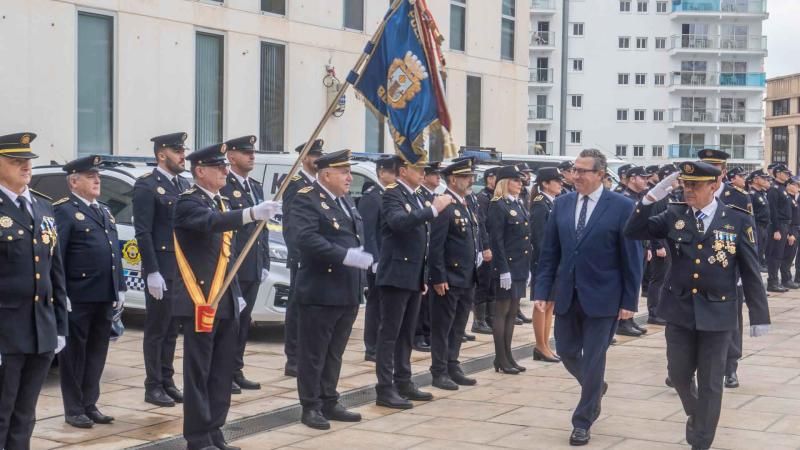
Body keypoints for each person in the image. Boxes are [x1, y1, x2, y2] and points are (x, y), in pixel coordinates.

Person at [625, 160, 770, 450]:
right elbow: (634, 230)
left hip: (718, 314)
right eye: (686, 184)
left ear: (714, 185)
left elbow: (751, 270)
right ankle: (698, 413)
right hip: (679, 310)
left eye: (696, 185)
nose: (689, 190)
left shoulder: (737, 219)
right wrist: (654, 195)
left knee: (711, 382)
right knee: (678, 374)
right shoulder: (674, 214)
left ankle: (701, 440)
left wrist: (759, 315)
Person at [172, 142, 280, 450]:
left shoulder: (220, 204)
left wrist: (236, 294)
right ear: (200, 171)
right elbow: (210, 225)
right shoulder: (188, 203)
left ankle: (215, 431)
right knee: (199, 373)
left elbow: (227, 257)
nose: (224, 171)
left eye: (225, 167)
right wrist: (249, 213)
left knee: (221, 372)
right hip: (200, 301)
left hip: (226, 301)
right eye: (218, 167)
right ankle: (197, 437)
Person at [534, 149, 643, 446]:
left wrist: (629, 301)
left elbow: (632, 258)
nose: (576, 175)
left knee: (595, 359)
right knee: (567, 352)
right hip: (568, 294)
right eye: (574, 169)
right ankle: (595, 388)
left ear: (600, 174)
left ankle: (583, 421)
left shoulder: (621, 206)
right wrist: (542, 291)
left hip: (605, 297)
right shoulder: (562, 204)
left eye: (583, 171)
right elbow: (549, 253)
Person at [290, 150, 370, 429]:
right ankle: (310, 406)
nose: (349, 177)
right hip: (320, 290)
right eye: (343, 172)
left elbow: (355, 237)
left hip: (347, 289)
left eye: (349, 171)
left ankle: (329, 399)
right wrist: (345, 256)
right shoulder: (306, 199)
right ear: (325, 175)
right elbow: (306, 239)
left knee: (334, 352)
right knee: (313, 353)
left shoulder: (345, 200)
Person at [0, 132, 68, 449]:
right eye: (16, 161)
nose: (25, 166)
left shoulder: (43, 207)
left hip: (41, 328)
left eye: (28, 161)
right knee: (2, 411)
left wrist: (60, 326)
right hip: (6, 332)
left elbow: (55, 271)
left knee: (26, 414)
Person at [54, 155, 125, 428]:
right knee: (74, 355)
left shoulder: (104, 210)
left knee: (97, 352)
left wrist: (119, 286)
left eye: (98, 176)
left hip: (104, 295)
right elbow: (56, 257)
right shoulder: (64, 210)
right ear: (74, 181)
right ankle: (73, 409)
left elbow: (113, 253)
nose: (97, 180)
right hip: (78, 296)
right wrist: (62, 295)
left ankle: (89, 403)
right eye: (90, 176)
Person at [374, 159, 451, 409]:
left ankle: (403, 381)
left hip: (413, 275)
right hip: (396, 274)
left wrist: (423, 274)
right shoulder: (392, 194)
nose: (423, 174)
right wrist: (432, 210)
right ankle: (385, 388)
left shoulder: (416, 195)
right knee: (390, 334)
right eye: (419, 170)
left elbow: (424, 239)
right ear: (403, 171)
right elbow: (399, 223)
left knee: (406, 333)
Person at [133, 132, 191, 407]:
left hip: (181, 270)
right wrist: (152, 271)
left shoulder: (182, 184)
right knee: (157, 330)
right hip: (161, 268)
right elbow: (143, 232)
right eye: (177, 150)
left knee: (172, 329)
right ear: (161, 155)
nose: (183, 155)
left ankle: (167, 380)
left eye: (183, 150)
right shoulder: (147, 186)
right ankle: (152, 385)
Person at [220, 135, 270, 393]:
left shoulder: (255, 186)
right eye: (245, 152)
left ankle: (236, 369)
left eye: (253, 152)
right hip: (233, 264)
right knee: (231, 322)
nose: (252, 156)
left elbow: (263, 228)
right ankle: (223, 372)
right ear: (231, 157)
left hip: (252, 263)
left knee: (244, 321)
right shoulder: (224, 187)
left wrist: (265, 260)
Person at [428, 158, 481, 390]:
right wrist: (438, 276)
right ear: (452, 179)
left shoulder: (466, 203)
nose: (471, 180)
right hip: (449, 277)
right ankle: (439, 371)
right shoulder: (444, 204)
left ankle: (453, 365)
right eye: (466, 177)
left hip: (467, 277)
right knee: (443, 327)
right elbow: (436, 245)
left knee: (459, 325)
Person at [282, 139, 324, 377]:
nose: (318, 159)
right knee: (297, 307)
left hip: (316, 257)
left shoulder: (318, 184)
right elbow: (290, 223)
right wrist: (296, 254)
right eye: (314, 155)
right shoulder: (295, 184)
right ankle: (293, 359)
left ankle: (307, 355)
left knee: (311, 307)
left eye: (320, 155)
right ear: (304, 158)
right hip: (301, 257)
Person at [487, 165, 532, 374]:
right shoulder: (498, 205)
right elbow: (497, 241)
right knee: (502, 312)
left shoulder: (519, 204)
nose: (520, 184)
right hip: (506, 267)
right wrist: (503, 269)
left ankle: (507, 356)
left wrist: (527, 266)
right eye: (515, 180)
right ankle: (501, 358)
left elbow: (524, 238)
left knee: (513, 312)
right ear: (505, 182)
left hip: (519, 266)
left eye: (521, 181)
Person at [360, 155, 400, 362]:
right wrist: (373, 260)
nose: (395, 176)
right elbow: (368, 232)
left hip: (390, 259)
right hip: (378, 260)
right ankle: (371, 347)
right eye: (392, 172)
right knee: (375, 304)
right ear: (381, 173)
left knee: (386, 305)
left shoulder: (390, 195)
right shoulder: (372, 196)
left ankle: (381, 344)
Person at [529, 167, 562, 363]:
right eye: (555, 181)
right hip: (544, 263)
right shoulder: (540, 205)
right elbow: (540, 238)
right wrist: (546, 264)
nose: (559, 184)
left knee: (550, 304)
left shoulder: (552, 203)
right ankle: (540, 345)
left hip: (554, 262)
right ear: (545, 184)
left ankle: (546, 344)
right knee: (542, 305)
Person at [646, 164, 681, 326]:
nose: (678, 182)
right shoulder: (659, 197)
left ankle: (662, 310)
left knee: (667, 278)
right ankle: (654, 312)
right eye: (675, 179)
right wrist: (657, 245)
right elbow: (653, 221)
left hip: (669, 240)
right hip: (661, 242)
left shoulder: (670, 196)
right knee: (658, 278)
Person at [617, 166, 650, 338]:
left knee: (635, 282)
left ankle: (629, 318)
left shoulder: (639, 197)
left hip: (639, 245)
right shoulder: (624, 198)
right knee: (628, 282)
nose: (645, 180)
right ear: (632, 179)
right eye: (642, 178)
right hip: (629, 246)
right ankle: (622, 321)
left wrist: (648, 246)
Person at [472, 167, 497, 334]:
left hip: (494, 246)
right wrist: (485, 247)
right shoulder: (483, 197)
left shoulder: (495, 197)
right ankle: (478, 321)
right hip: (485, 246)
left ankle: (489, 317)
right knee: (483, 283)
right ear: (489, 179)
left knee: (491, 284)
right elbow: (482, 225)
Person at [766, 163, 793, 292]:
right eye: (785, 173)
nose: (787, 175)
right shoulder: (774, 189)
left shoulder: (782, 188)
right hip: (778, 225)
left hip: (785, 225)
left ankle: (777, 281)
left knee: (780, 254)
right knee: (775, 255)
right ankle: (772, 282)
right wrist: (776, 229)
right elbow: (773, 211)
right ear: (777, 173)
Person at [747, 169, 771, 270]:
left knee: (761, 250)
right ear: (755, 179)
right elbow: (749, 213)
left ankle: (759, 265)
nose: (766, 180)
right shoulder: (751, 194)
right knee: (756, 250)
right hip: (757, 225)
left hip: (765, 226)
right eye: (763, 178)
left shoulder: (762, 193)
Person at [781, 176, 800, 289]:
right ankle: (785, 279)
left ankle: (794, 278)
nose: (797, 187)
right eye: (796, 185)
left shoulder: (793, 198)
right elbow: (789, 218)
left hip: (796, 228)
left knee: (792, 256)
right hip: (792, 230)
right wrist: (790, 233)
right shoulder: (787, 198)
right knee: (788, 256)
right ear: (789, 185)